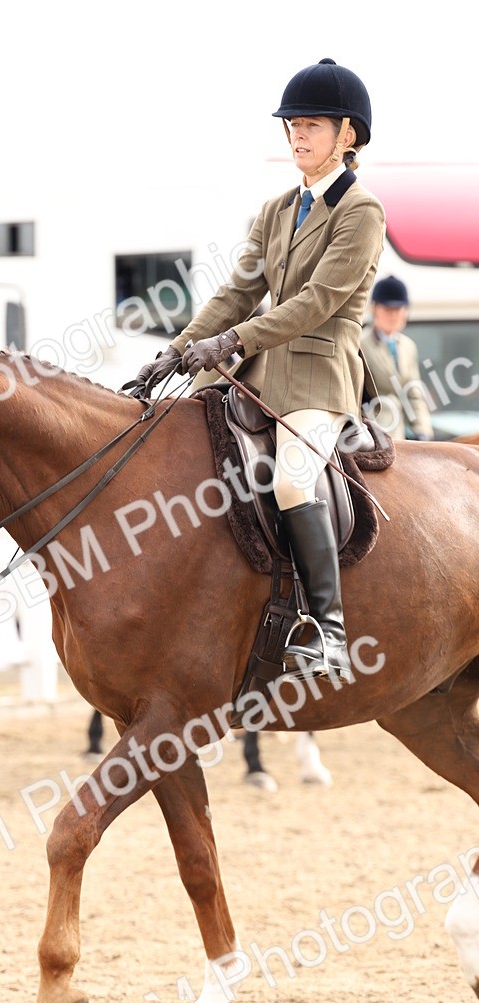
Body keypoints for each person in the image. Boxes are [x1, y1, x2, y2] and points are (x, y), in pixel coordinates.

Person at [133, 58, 385, 682]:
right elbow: (236, 293)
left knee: (295, 482)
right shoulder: (276, 209)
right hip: (256, 374)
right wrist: (179, 347)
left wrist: (232, 342)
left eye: (313, 125)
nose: (298, 135)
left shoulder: (361, 212)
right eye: (292, 125)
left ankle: (328, 631)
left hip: (319, 378)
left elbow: (317, 302)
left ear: (347, 134)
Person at [360, 275, 434, 441]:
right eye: (388, 309)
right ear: (375, 309)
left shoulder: (408, 346)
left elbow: (414, 392)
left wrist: (423, 430)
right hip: (373, 433)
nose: (394, 315)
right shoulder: (361, 344)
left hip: (402, 434)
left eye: (399, 310)